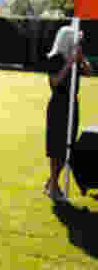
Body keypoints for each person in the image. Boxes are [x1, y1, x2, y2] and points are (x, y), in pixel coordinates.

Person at [43, 25, 93, 201]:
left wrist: (81, 59)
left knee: (69, 147)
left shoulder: (76, 58)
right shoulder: (55, 58)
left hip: (73, 105)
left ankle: (51, 181)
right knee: (57, 147)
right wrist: (69, 63)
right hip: (58, 106)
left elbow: (89, 72)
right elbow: (55, 82)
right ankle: (54, 187)